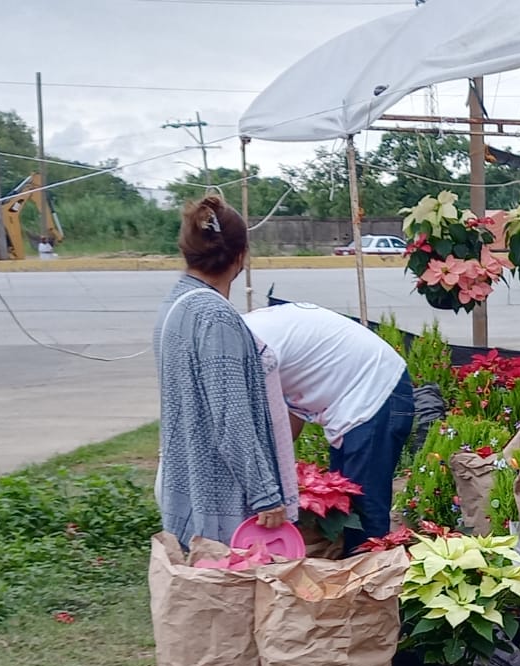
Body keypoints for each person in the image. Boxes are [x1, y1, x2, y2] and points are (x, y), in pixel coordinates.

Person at [154, 197, 296, 549]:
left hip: (186, 484)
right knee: (233, 581)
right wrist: (265, 494)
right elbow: (231, 416)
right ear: (241, 256)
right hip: (219, 501)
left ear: (187, 249)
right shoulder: (215, 317)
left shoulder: (175, 305)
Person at [242, 301, 414, 553]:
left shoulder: (249, 347)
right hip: (359, 398)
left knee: (364, 509)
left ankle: (370, 576)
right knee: (348, 504)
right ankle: (356, 570)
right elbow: (284, 426)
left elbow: (250, 431)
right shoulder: (249, 332)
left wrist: (263, 488)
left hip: (374, 392)